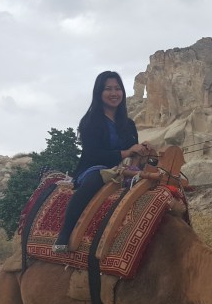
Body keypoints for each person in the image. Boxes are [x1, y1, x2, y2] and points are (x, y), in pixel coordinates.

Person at [53, 70, 150, 253]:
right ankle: (65, 233)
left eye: (117, 88)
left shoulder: (128, 124)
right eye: (108, 89)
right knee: (93, 182)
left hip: (126, 169)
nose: (114, 93)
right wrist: (126, 152)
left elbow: (133, 148)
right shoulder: (90, 121)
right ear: (99, 92)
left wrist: (141, 149)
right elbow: (92, 153)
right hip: (95, 167)